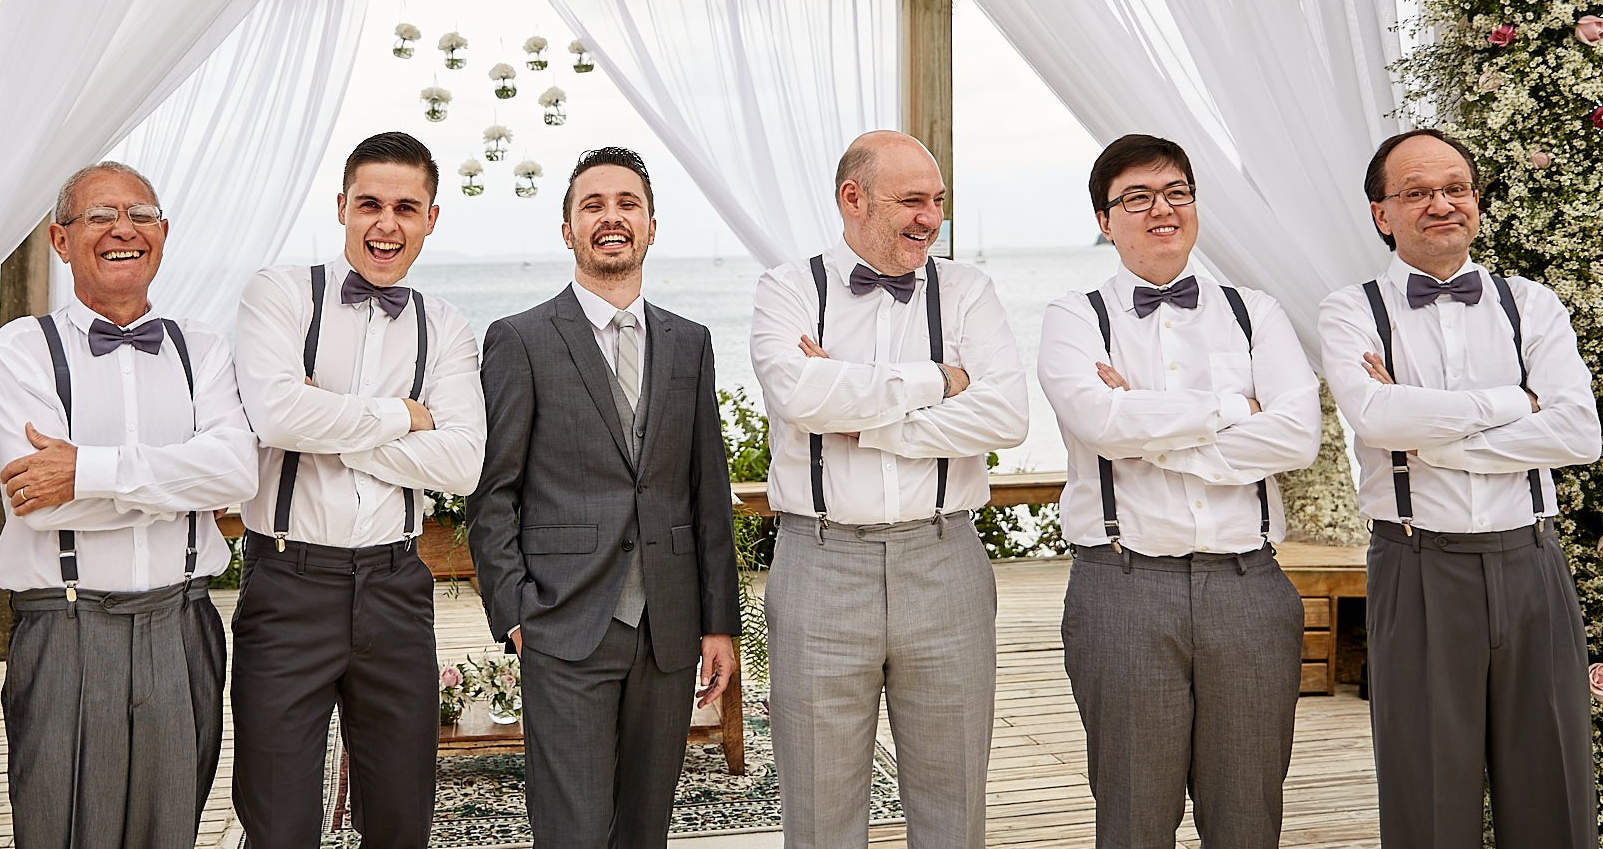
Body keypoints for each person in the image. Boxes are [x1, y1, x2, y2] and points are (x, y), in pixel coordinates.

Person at [1318, 127, 1600, 849]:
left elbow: (1577, 433)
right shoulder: (1351, 311)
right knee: (1428, 802)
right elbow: (1376, 416)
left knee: (1555, 793)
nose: (1441, 204)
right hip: (1417, 567)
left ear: (1476, 200)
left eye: (1455, 188)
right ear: (1382, 213)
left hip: (1532, 564)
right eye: (1416, 192)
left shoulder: (1532, 304)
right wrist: (1517, 402)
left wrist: (1435, 439)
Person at [1038, 134, 1322, 848]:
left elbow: (1297, 438)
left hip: (1250, 589)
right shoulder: (1075, 317)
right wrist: (1232, 408)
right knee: (1133, 821)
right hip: (1123, 588)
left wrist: (1149, 426)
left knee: (1248, 820)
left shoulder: (1256, 311)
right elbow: (1101, 423)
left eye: (1176, 193)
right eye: (1137, 197)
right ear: (1105, 221)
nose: (1162, 209)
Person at [750, 129, 1029, 849]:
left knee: (953, 806)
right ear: (854, 198)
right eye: (911, 201)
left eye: (938, 200)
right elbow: (799, 397)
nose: (930, 218)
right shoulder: (788, 288)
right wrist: (941, 379)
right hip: (819, 564)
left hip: (945, 560)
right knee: (819, 810)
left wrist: (866, 419)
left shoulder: (968, 290)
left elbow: (1007, 416)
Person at [470, 147, 743, 849]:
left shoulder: (690, 342)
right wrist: (517, 612)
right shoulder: (520, 339)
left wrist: (719, 624)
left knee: (645, 830)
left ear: (651, 226)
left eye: (628, 204)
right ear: (568, 229)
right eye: (592, 205)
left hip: (669, 628)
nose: (611, 217)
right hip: (563, 622)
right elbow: (493, 493)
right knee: (573, 831)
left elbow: (708, 491)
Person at [0, 161, 258, 849]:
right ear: (61, 239)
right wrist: (177, 485)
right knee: (58, 829)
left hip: (184, 623)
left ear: (163, 232)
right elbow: (39, 503)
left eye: (140, 215)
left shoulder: (204, 347)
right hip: (66, 627)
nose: (123, 230)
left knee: (173, 830)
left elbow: (234, 474)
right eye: (100, 216)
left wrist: (87, 471)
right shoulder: (22, 349)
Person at [230, 131, 487, 848]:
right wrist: (405, 417)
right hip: (287, 585)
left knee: (401, 819)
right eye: (370, 204)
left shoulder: (447, 326)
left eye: (406, 207)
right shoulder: (279, 294)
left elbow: (463, 463)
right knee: (279, 823)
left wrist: (328, 424)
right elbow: (277, 415)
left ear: (431, 217)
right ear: (342, 207)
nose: (386, 223)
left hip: (396, 587)